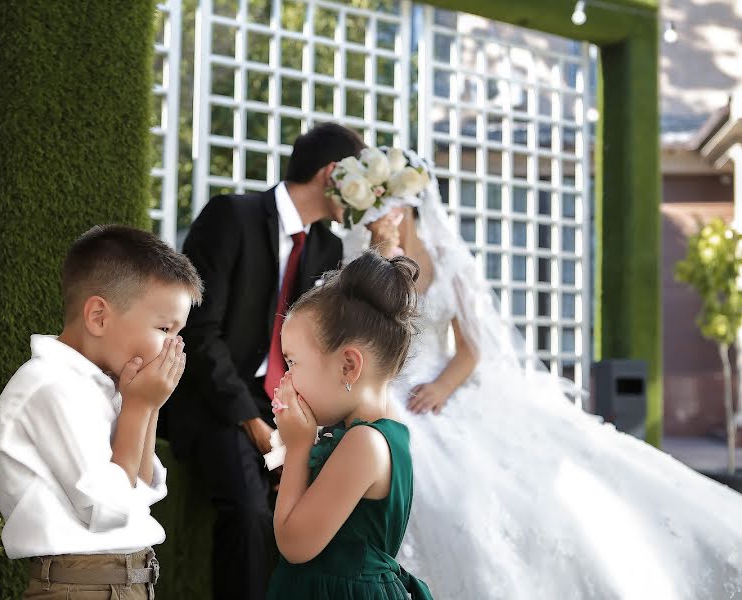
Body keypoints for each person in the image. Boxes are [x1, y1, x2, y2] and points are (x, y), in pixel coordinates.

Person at [349, 159, 742, 599]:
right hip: (387, 389)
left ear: (401, 209)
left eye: (376, 212)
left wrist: (442, 387)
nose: (368, 222)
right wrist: (379, 261)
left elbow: (471, 349)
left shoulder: (447, 262)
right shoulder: (367, 264)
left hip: (438, 388)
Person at [164, 122, 366, 600]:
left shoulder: (327, 248)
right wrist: (256, 425)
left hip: (280, 403)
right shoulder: (230, 215)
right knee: (252, 510)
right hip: (215, 399)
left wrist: (300, 435)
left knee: (322, 505)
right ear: (332, 172)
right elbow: (199, 329)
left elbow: (318, 351)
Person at [0, 225, 203, 599]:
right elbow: (106, 508)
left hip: (127, 581)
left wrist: (148, 407)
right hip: (82, 587)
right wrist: (138, 407)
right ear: (99, 317)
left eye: (179, 331)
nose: (174, 345)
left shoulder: (105, 386)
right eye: (164, 327)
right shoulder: (49, 385)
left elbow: (142, 489)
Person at [266, 251, 432, 599]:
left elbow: (295, 545)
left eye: (294, 363)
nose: (287, 378)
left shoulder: (365, 443)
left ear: (348, 367)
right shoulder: (369, 433)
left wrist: (298, 447)